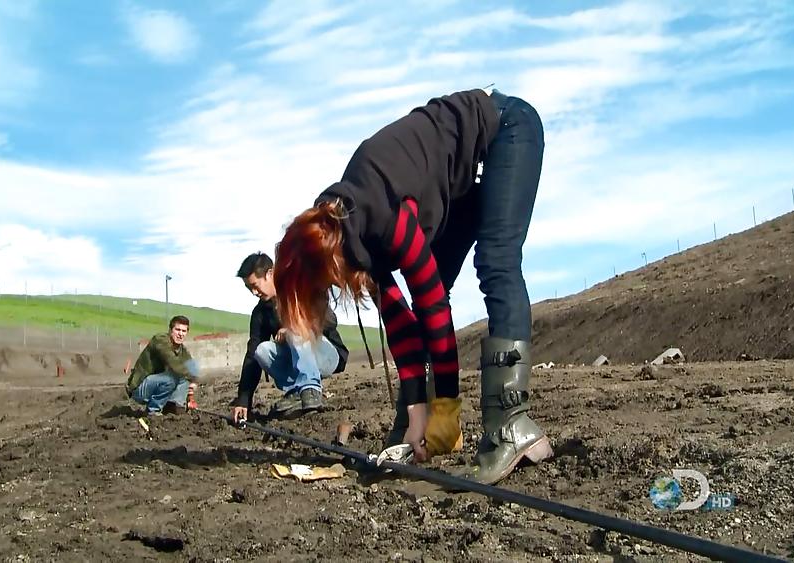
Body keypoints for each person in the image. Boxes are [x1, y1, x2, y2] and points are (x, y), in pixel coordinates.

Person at [272, 87, 553, 484]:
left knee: (496, 261)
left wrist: (447, 412)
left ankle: (512, 424)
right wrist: (420, 411)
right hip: (462, 179)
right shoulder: (345, 237)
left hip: (506, 127)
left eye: (321, 287)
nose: (330, 292)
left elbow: (433, 308)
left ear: (327, 264)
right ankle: (416, 418)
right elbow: (400, 324)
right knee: (432, 286)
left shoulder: (384, 216)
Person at [231, 252, 349, 423]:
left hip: (326, 357)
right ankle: (296, 391)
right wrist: (243, 400)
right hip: (296, 365)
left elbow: (330, 321)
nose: (254, 292)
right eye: (249, 289)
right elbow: (251, 355)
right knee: (260, 350)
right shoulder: (260, 313)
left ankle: (310, 390)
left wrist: (295, 325)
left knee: (295, 331)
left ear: (270, 274)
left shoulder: (298, 289)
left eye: (255, 286)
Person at [126, 315, 200, 416]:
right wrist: (191, 377)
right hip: (140, 387)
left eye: (184, 331)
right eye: (177, 330)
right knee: (172, 377)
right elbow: (174, 363)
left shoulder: (182, 350)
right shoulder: (160, 340)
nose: (180, 334)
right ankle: (153, 411)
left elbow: (191, 368)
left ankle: (173, 407)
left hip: (156, 384)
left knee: (183, 377)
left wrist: (192, 388)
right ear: (170, 330)